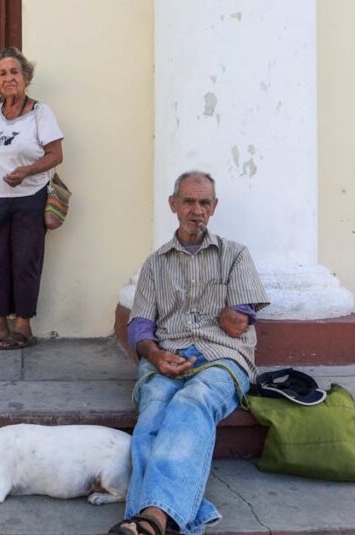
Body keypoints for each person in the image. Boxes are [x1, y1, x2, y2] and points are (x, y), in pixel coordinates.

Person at [110, 171, 269, 535]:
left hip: (222, 354)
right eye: (189, 202)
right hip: (168, 354)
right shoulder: (154, 265)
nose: (196, 210)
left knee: (192, 401)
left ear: (213, 209)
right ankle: (158, 519)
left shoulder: (235, 255)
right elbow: (139, 326)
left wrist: (240, 312)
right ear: (173, 205)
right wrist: (154, 355)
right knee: (154, 409)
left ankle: (149, 517)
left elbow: (240, 319)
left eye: (204, 203)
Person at [0, 47, 64, 350]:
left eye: (14, 72)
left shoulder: (40, 113)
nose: (9, 78)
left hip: (29, 196)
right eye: (3, 73)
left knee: (25, 260)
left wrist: (27, 171)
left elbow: (56, 154)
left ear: (26, 77)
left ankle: (23, 325)